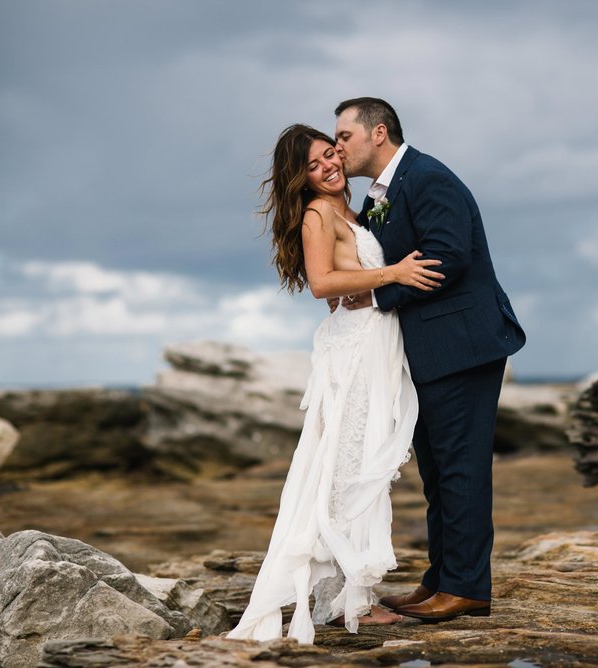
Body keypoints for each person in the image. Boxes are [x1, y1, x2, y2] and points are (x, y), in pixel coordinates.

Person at [226, 124, 445, 643]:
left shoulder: (353, 210)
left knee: (358, 462)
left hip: (372, 341)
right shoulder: (319, 213)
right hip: (355, 348)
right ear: (299, 178)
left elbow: (337, 281)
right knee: (351, 466)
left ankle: (348, 594)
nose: (328, 167)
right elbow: (323, 283)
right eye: (314, 165)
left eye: (331, 154)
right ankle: (354, 601)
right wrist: (391, 274)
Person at [334, 97, 526, 622]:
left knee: (460, 468)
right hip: (432, 352)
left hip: (463, 346)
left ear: (378, 133)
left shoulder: (426, 177)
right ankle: (442, 578)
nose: (337, 147)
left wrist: (377, 295)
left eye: (344, 136)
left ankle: (466, 588)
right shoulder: (385, 192)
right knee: (439, 472)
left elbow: (447, 255)